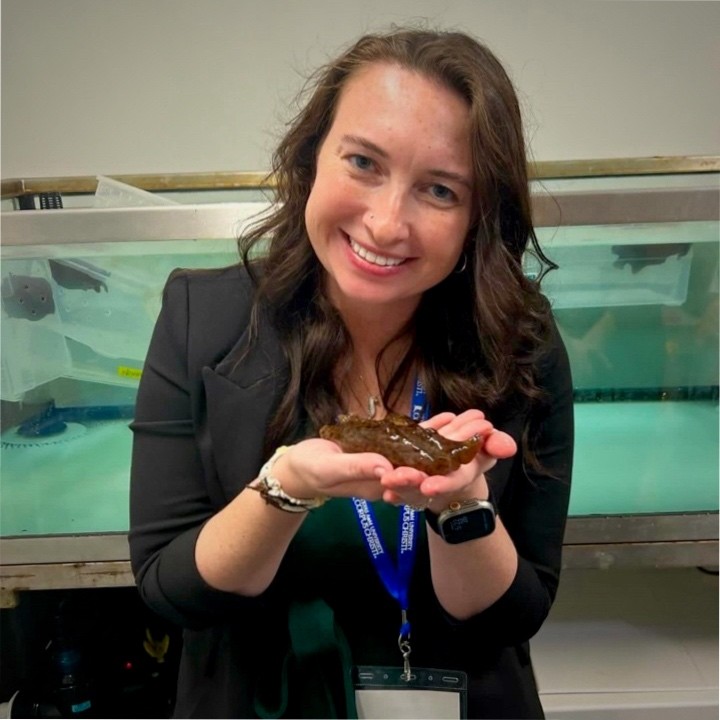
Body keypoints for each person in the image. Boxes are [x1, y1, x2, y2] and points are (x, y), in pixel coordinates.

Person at [129, 26, 574, 720]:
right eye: (363, 162)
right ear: (312, 157)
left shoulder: (520, 341)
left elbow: (512, 618)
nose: (387, 222)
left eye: (440, 190)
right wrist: (285, 487)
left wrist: (459, 507)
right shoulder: (203, 319)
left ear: (478, 216)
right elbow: (169, 589)